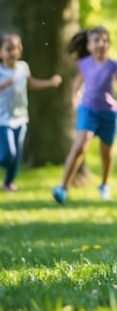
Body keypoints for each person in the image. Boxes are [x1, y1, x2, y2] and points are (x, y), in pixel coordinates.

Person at [52, 27, 117, 204]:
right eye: (97, 40)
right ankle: (62, 188)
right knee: (79, 146)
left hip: (109, 113)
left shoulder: (114, 66)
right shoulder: (84, 64)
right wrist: (75, 101)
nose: (101, 44)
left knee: (106, 152)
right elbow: (76, 85)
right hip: (88, 110)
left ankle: (104, 185)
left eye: (105, 40)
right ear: (88, 45)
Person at [0, 32, 62, 191]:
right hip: (3, 119)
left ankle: (8, 183)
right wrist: (4, 83)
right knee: (8, 154)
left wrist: (50, 82)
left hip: (21, 117)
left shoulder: (23, 67)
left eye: (17, 47)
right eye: (9, 49)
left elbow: (31, 83)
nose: (13, 52)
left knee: (17, 155)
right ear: (1, 52)